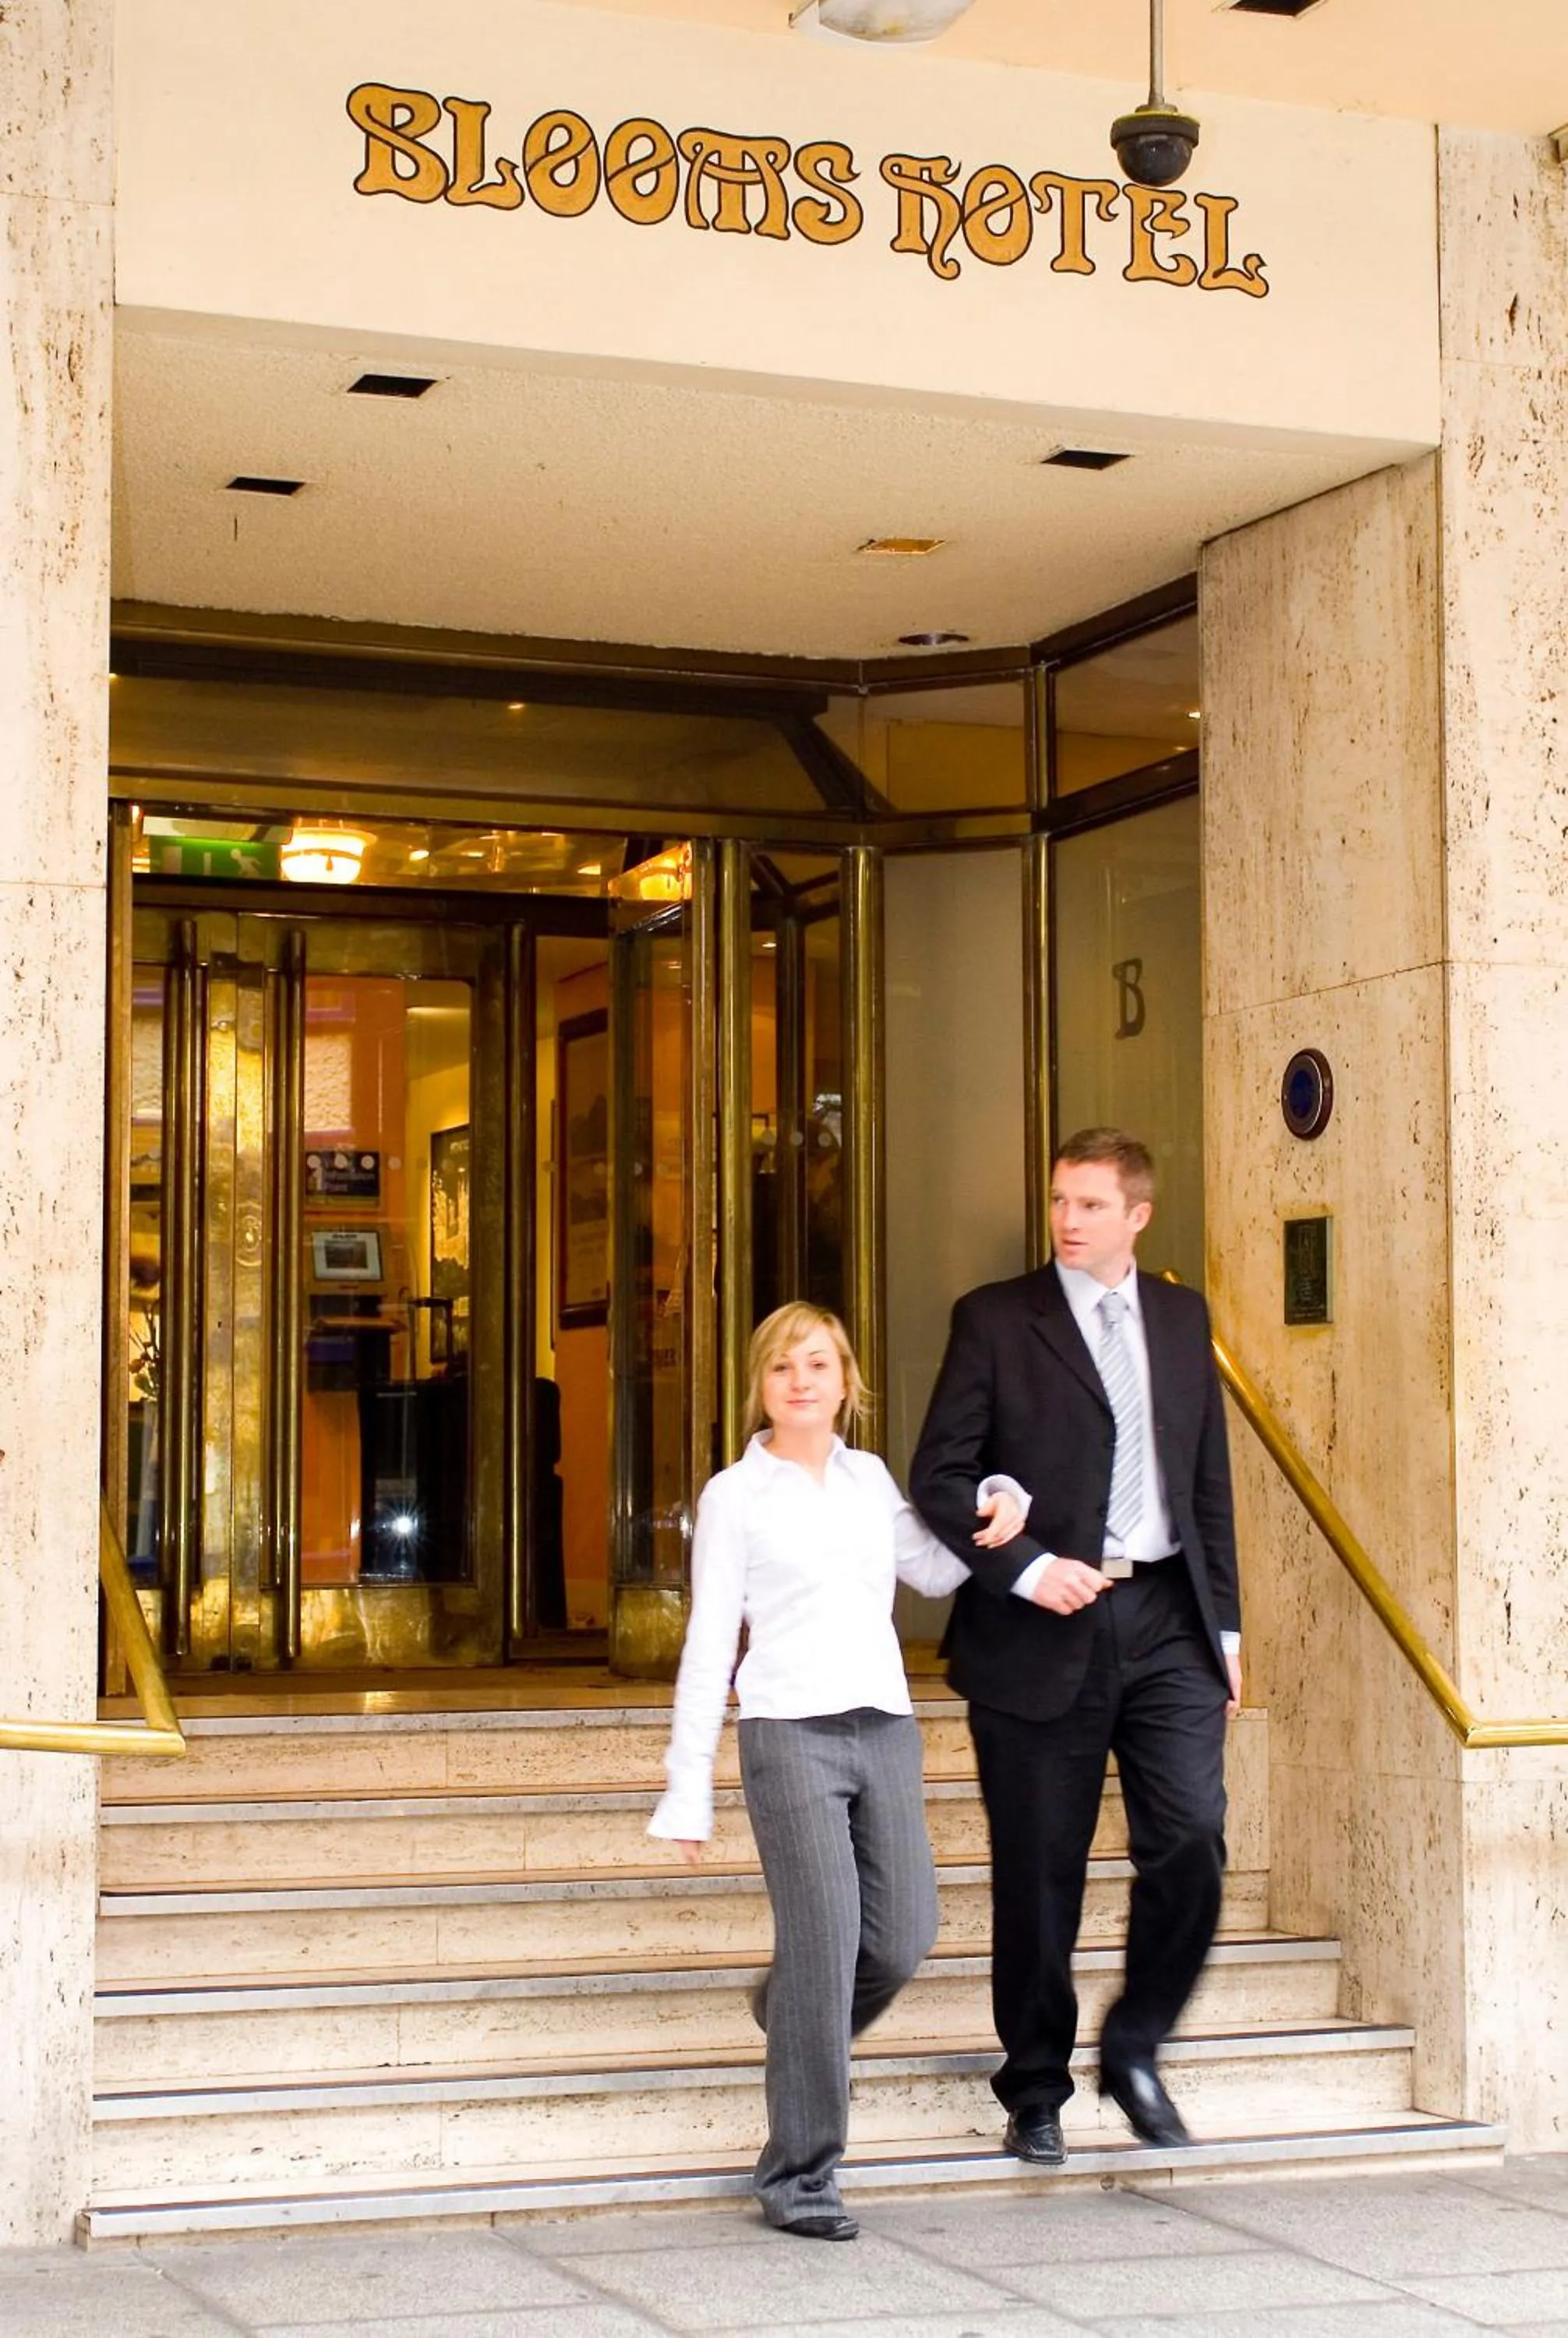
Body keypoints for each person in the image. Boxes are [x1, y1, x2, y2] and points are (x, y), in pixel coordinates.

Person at [648, 1300, 1029, 2241]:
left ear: (846, 1380)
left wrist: (999, 1498)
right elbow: (709, 1642)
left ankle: (789, 2014)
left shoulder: (869, 1481)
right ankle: (799, 2175)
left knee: (900, 1937)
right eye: (782, 1366)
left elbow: (936, 1572)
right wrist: (686, 1787)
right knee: (822, 1949)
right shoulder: (734, 1496)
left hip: (884, 1727)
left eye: (817, 1364)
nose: (800, 1381)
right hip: (788, 1733)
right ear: (760, 1385)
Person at [909, 1128, 1241, 2167]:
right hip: (1037, 1625)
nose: (1067, 1219)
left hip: (1168, 1619)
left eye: (1091, 1204)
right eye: (1060, 1199)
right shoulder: (995, 1319)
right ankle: (1036, 2088)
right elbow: (938, 1475)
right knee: (1039, 1871)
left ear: (1137, 1215)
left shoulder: (1183, 1319)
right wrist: (1025, 1567)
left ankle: (1135, 2046)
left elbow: (1207, 1483)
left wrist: (1226, 1629)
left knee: (1190, 1835)